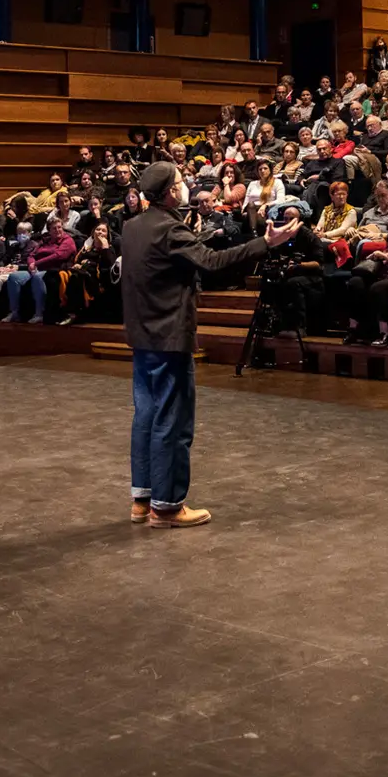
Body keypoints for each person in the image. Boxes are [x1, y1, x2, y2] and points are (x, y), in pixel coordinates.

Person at [122, 162, 298, 529]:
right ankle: (167, 507)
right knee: (172, 421)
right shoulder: (170, 229)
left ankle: (142, 500)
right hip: (170, 336)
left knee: (146, 417)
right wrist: (265, 242)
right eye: (180, 182)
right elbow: (213, 263)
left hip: (142, 335)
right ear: (171, 192)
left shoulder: (132, 226)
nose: (185, 185)